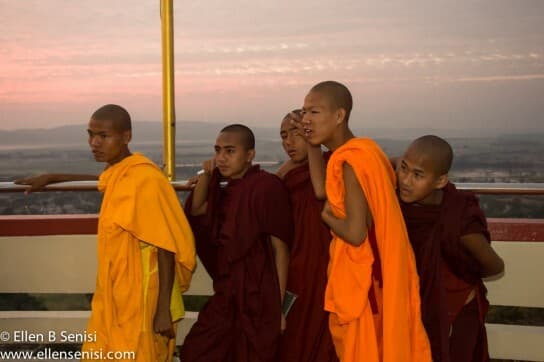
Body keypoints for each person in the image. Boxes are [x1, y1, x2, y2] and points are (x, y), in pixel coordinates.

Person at [15, 104, 196, 362]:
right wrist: (53, 176)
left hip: (143, 293)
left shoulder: (146, 179)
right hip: (116, 289)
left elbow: (166, 247)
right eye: (90, 135)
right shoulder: (121, 173)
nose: (94, 143)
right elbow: (106, 180)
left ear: (126, 137)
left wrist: (163, 310)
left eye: (103, 136)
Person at [297, 80, 431, 362]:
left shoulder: (351, 163)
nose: (306, 119)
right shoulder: (362, 151)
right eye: (304, 112)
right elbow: (323, 190)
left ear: (339, 115)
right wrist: (311, 142)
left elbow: (356, 233)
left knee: (367, 352)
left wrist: (328, 219)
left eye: (315, 112)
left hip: (366, 279)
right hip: (374, 272)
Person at [181, 124, 293, 362]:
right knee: (196, 351)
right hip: (227, 293)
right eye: (218, 151)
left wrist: (278, 307)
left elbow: (280, 250)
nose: (221, 158)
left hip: (260, 296)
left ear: (249, 155)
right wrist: (206, 177)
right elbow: (197, 211)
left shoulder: (266, 187)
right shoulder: (221, 188)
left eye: (230, 151)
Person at [396, 135, 504, 362]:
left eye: (418, 175)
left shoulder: (457, 219)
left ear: (441, 181)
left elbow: (495, 265)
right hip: (413, 308)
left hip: (454, 311)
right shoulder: (401, 205)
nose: (405, 180)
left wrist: (457, 273)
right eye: (403, 169)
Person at [276, 110, 338, 362]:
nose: (289, 142)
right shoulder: (287, 176)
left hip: (330, 269)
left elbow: (321, 191)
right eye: (283, 136)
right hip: (296, 269)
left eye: (297, 133)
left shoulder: (333, 165)